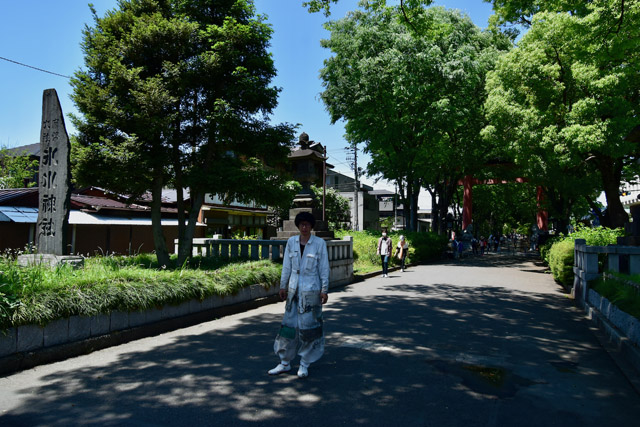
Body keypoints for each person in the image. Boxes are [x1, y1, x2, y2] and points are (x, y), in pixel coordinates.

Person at [268, 212, 330, 379]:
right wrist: (283, 286)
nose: (304, 227)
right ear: (298, 226)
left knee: (309, 329)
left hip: (311, 290)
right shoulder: (291, 242)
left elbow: (324, 268)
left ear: (311, 226)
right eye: (301, 224)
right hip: (294, 290)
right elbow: (286, 266)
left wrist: (324, 289)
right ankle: (285, 362)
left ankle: (305, 363)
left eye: (307, 225)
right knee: (288, 326)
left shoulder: (319, 244)